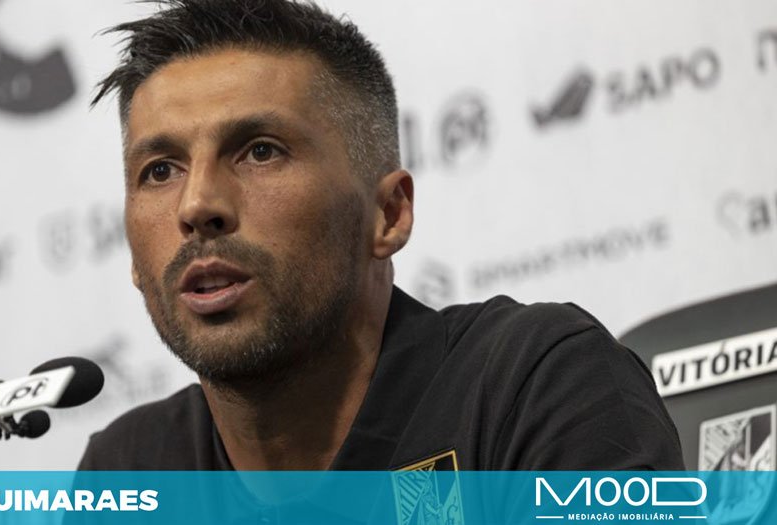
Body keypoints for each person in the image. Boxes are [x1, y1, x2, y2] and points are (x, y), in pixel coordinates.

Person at [77, 0, 684, 471]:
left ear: (388, 214)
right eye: (160, 171)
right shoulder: (128, 468)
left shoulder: (539, 383)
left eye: (260, 151)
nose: (196, 205)